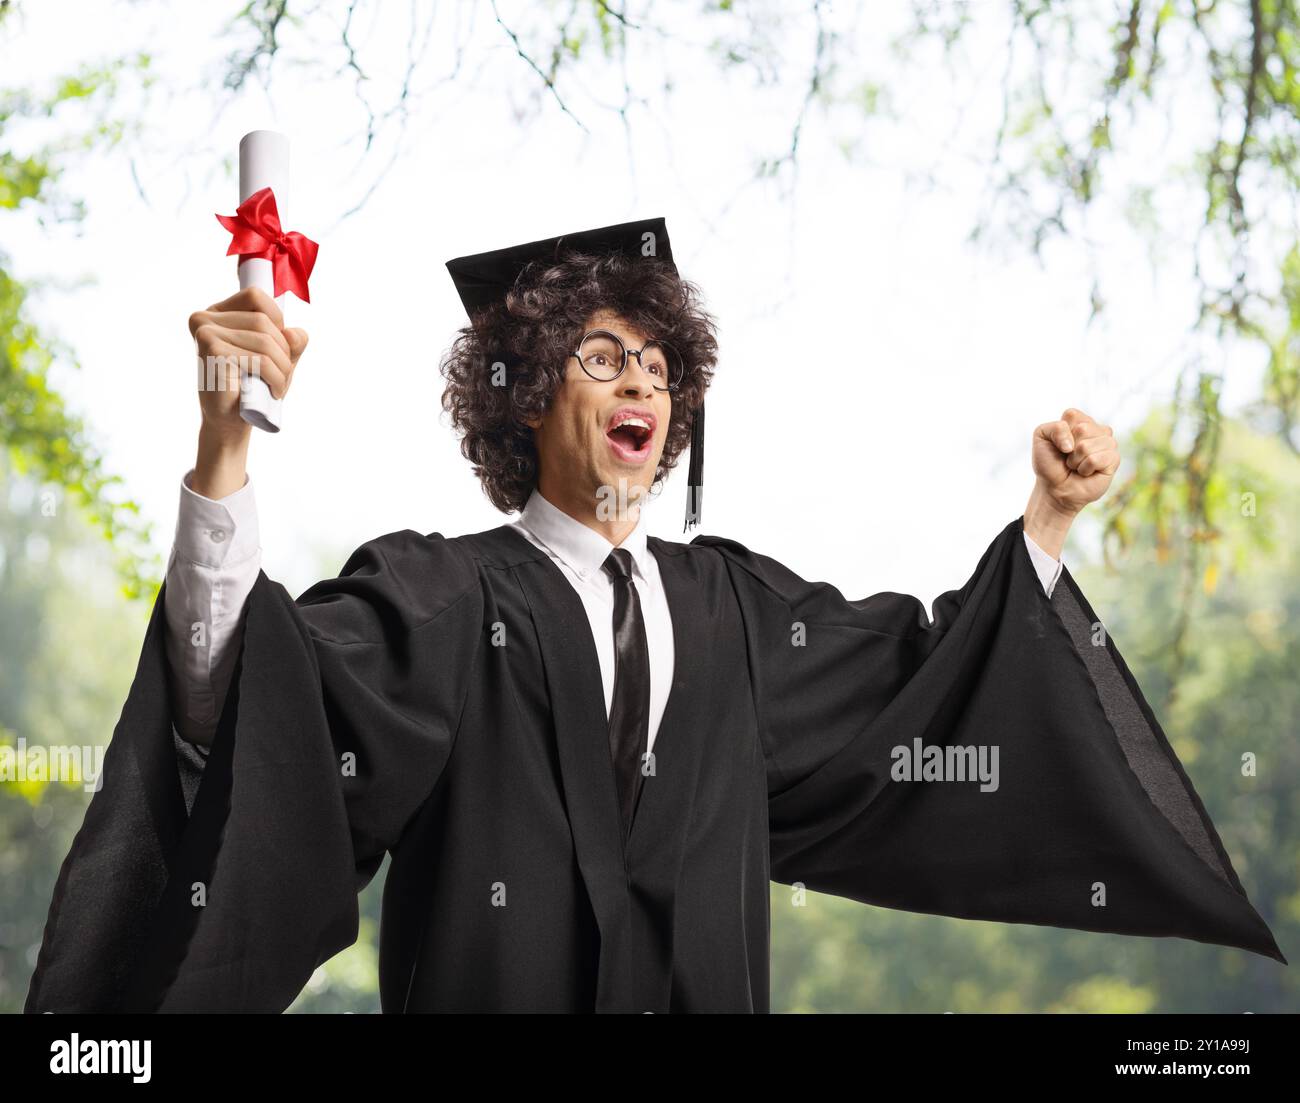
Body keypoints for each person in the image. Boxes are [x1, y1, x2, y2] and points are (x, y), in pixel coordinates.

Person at [26, 219, 1284, 1014]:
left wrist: (1047, 524)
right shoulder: (442, 595)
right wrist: (224, 441)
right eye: (600, 356)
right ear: (518, 398)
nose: (643, 382)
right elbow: (237, 698)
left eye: (660, 366)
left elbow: (930, 682)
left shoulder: (740, 609)